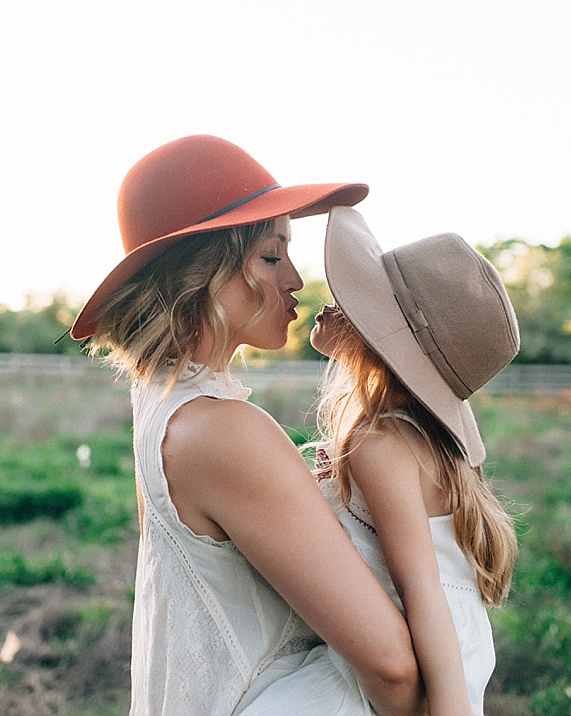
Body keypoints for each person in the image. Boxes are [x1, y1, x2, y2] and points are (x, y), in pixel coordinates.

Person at [68, 136, 424, 716]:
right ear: (202, 268)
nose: (295, 281)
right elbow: (390, 664)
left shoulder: (162, 400)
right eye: (270, 253)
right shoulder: (223, 429)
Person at [308, 205, 521, 716]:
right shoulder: (401, 439)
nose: (330, 300)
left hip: (423, 657)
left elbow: (420, 586)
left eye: (355, 297)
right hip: (440, 641)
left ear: (380, 338)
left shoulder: (380, 443)